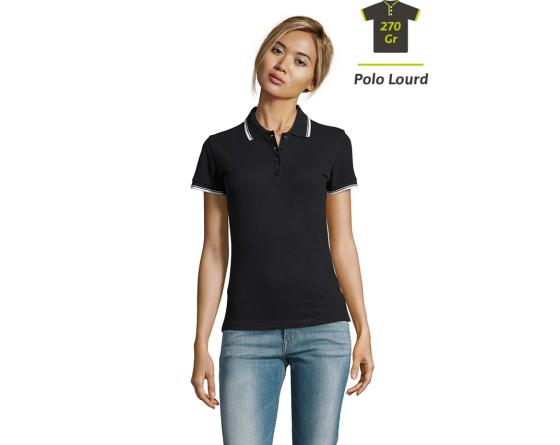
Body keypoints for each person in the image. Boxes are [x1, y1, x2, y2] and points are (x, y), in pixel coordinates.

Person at [190, 16, 374, 445]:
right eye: (277, 50)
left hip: (324, 332)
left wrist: (363, 328)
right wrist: (201, 342)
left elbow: (343, 242)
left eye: (300, 61)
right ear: (262, 54)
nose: (282, 64)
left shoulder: (333, 144)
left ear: (313, 81)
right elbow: (215, 250)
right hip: (246, 336)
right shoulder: (220, 148)